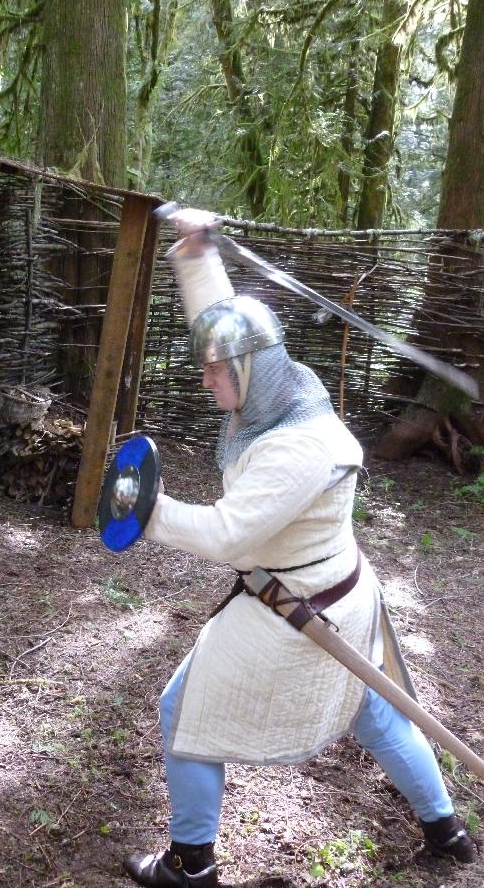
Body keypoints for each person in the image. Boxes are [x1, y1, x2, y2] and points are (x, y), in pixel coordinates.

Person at [123, 209, 478, 888]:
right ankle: (447, 832)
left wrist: (147, 512)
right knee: (371, 706)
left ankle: (189, 866)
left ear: (245, 371)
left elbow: (229, 536)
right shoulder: (276, 382)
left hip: (299, 608)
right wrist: (195, 253)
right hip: (337, 590)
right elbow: (227, 324)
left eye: (212, 372)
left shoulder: (298, 447)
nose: (204, 383)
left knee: (182, 708)